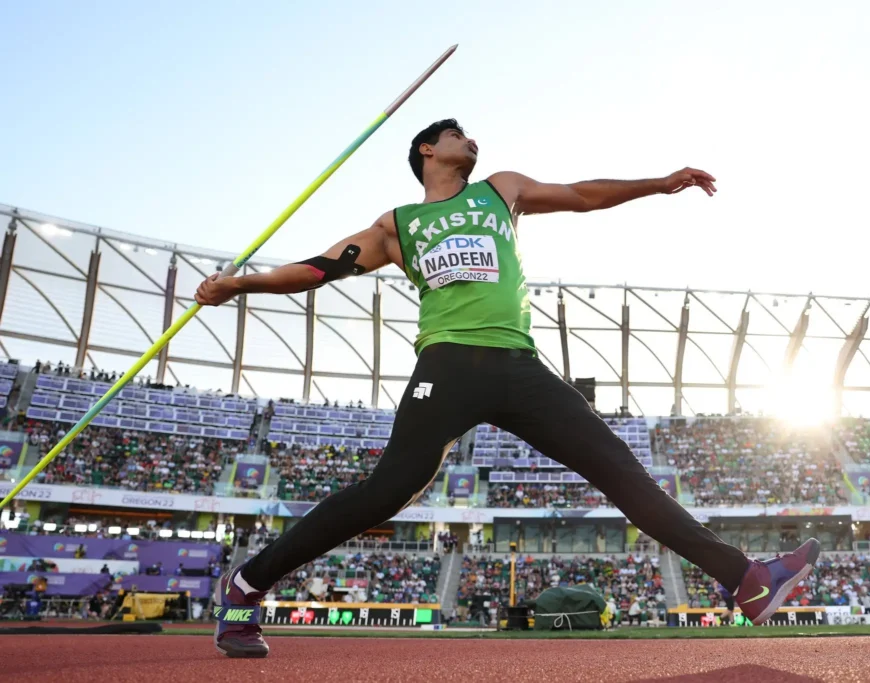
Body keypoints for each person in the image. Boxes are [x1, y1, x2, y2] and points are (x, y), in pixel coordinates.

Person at [196, 119, 820, 658]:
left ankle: (746, 580)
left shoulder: (503, 190)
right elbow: (320, 268)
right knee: (384, 493)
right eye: (456, 134)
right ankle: (248, 585)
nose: (471, 139)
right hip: (446, 366)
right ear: (427, 152)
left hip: (519, 367)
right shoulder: (399, 224)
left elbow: (581, 195)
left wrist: (658, 183)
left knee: (622, 472)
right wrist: (239, 285)